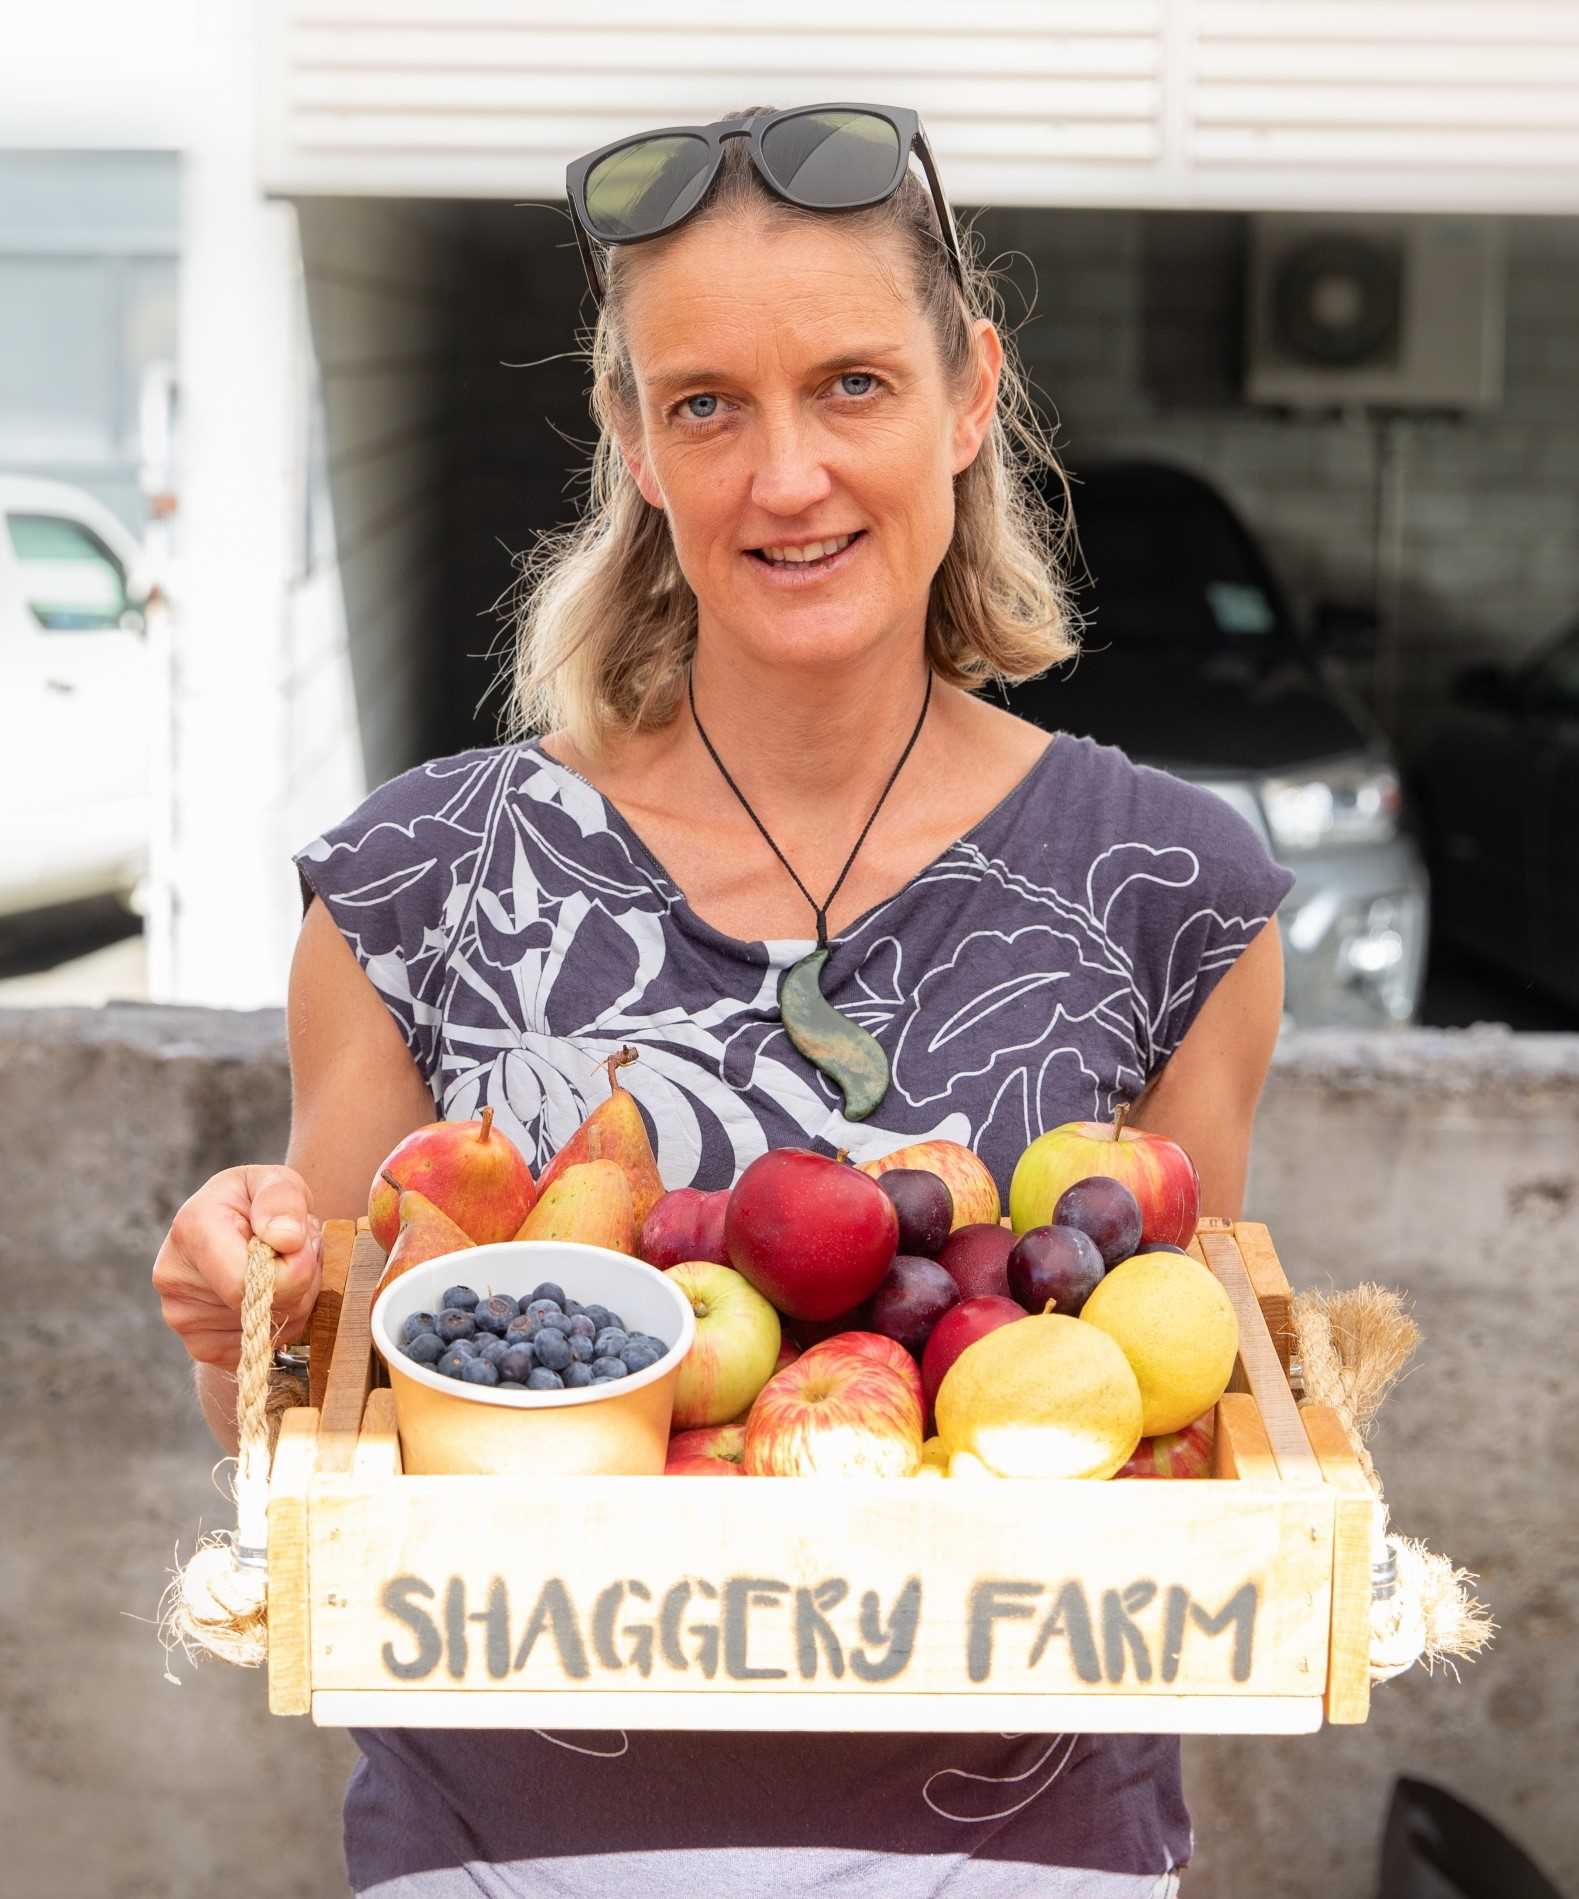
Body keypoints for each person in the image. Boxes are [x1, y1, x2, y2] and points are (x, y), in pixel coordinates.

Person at [153, 103, 1293, 1898]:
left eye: (853, 385)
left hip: (1021, 1861)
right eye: (706, 406)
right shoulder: (413, 888)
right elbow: (339, 1449)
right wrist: (245, 1335)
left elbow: (1170, 1437)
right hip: (507, 1863)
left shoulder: (1172, 895)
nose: (786, 476)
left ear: (970, 395)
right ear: (632, 442)